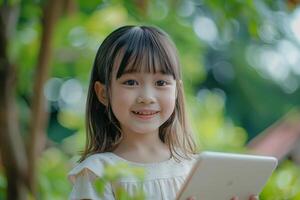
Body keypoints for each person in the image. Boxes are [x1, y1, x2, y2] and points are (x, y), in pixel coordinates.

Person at [68, 25, 258, 200]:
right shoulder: (97, 173)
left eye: (161, 83)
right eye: (130, 82)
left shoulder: (194, 169)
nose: (147, 97)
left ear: (176, 91)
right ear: (104, 93)